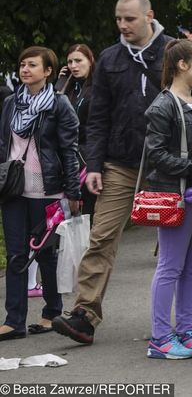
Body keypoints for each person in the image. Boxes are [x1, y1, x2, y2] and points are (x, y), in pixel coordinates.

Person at [53, 0, 172, 345]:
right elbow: (99, 116)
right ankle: (84, 315)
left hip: (165, 162)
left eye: (129, 19)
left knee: (173, 241)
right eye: (118, 19)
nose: (123, 25)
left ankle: (188, 311)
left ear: (149, 15)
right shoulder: (108, 58)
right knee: (102, 237)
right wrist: (94, 165)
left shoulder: (172, 52)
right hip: (119, 163)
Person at [0, 46, 81, 341]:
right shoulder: (11, 103)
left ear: (47, 71)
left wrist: (72, 191)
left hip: (47, 189)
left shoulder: (59, 105)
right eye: (22, 64)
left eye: (32, 65)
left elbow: (69, 150)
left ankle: (51, 313)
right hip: (13, 189)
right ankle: (14, 321)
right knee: (17, 254)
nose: (25, 69)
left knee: (47, 254)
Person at [144, 39, 192, 360]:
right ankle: (160, 338)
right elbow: (155, 154)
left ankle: (186, 331)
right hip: (174, 196)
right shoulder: (163, 105)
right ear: (182, 65)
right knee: (170, 266)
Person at [55, 43, 96, 216]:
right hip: (67, 157)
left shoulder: (97, 88)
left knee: (88, 212)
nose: (73, 66)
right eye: (70, 62)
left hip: (87, 157)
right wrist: (60, 86)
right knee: (68, 214)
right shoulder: (70, 89)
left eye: (78, 60)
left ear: (90, 61)